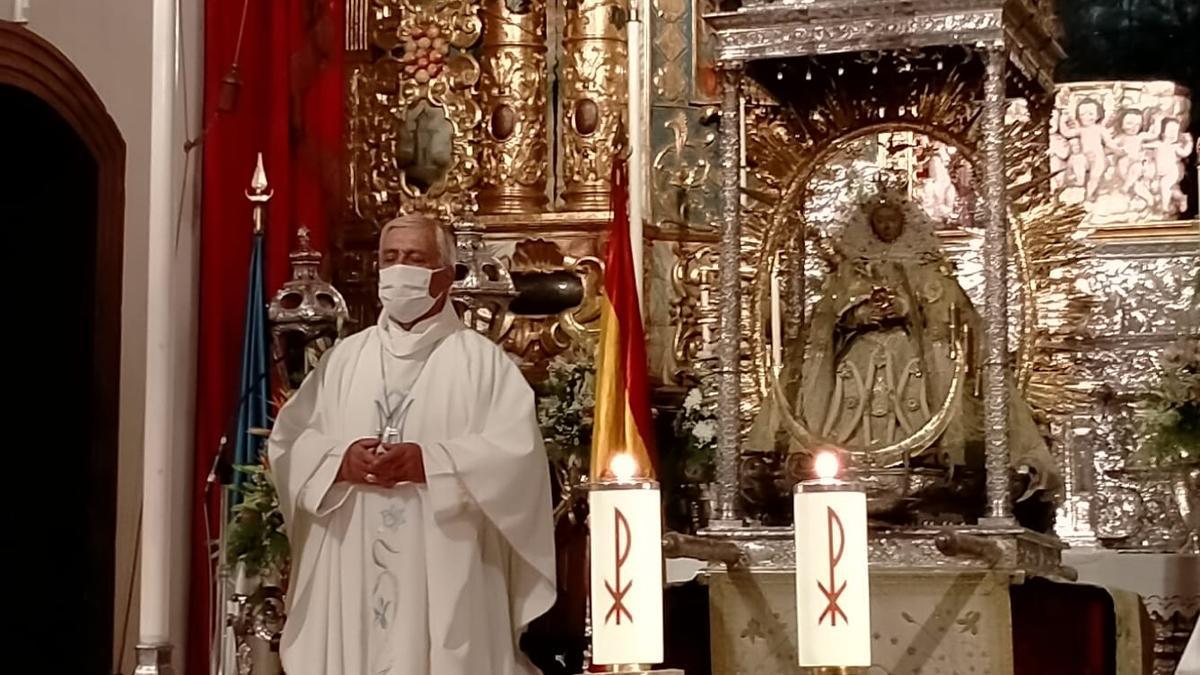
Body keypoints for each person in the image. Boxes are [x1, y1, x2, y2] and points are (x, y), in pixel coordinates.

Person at [268, 212, 556, 675]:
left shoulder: (483, 365)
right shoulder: (345, 360)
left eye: (415, 258)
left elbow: (518, 459)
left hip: (449, 565)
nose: (399, 269)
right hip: (353, 561)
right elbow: (290, 441)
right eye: (390, 257)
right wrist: (339, 462)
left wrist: (431, 464)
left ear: (444, 274)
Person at [750, 191, 1057, 516]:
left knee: (917, 373)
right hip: (856, 356)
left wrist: (907, 310)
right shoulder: (849, 272)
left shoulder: (928, 269)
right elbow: (824, 320)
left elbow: (950, 319)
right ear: (869, 226)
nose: (885, 226)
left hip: (912, 358)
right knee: (853, 373)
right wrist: (856, 317)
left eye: (891, 220)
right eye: (879, 221)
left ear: (905, 223)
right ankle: (847, 458)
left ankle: (927, 457)